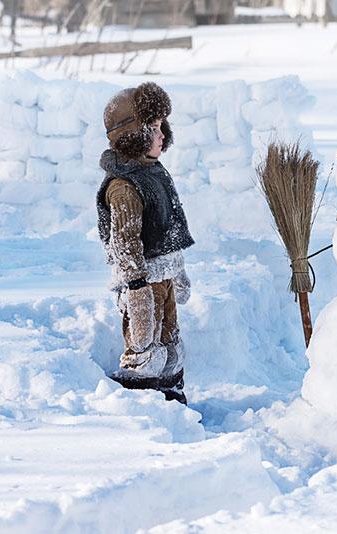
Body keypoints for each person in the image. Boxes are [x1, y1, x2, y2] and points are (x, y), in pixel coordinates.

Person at [96, 82, 194, 404]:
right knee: (145, 344)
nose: (162, 134)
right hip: (142, 283)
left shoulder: (152, 172)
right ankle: (142, 402)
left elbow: (166, 225)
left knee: (169, 338)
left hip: (162, 275)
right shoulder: (124, 185)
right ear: (133, 134)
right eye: (153, 127)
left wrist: (176, 270)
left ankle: (170, 392)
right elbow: (125, 242)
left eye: (162, 125)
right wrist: (136, 289)